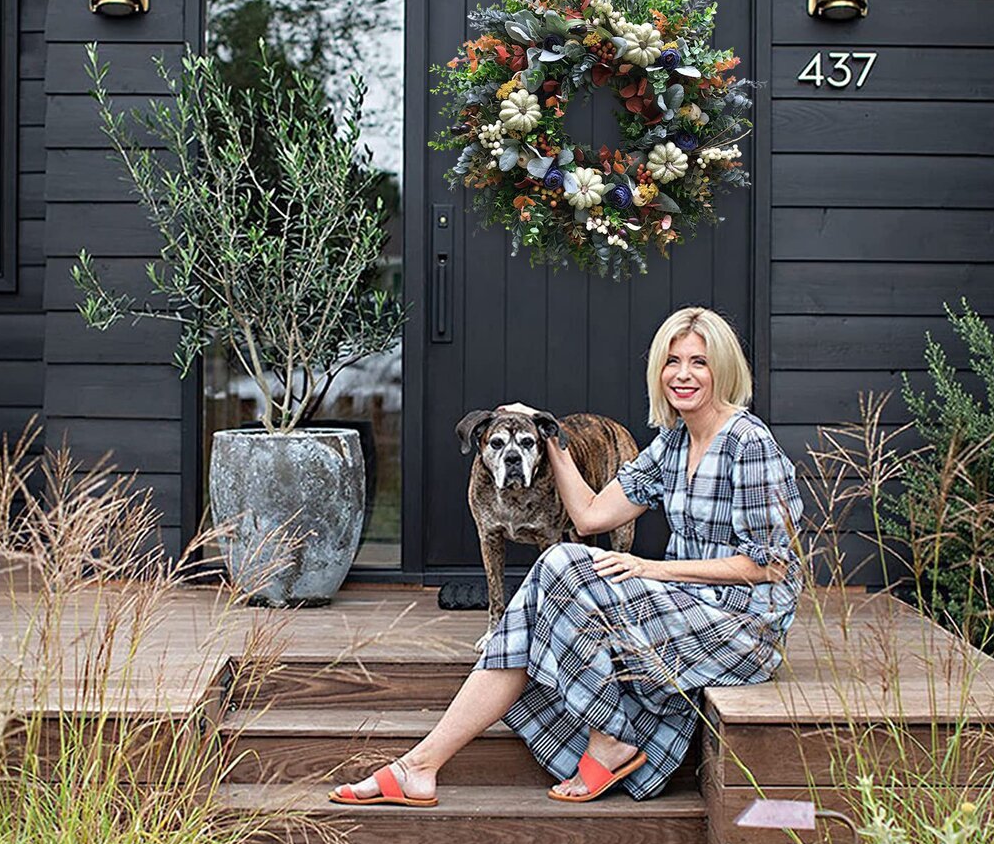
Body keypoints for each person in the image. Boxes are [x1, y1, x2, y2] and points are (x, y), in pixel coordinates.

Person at [329, 306, 804, 806]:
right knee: (555, 569)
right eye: (672, 361)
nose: (682, 375)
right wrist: (545, 435)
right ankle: (421, 766)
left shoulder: (749, 444)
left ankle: (598, 741)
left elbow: (770, 565)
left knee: (559, 567)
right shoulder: (673, 444)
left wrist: (651, 568)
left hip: (743, 625)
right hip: (684, 604)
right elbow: (591, 516)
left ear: (724, 368)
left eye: (698, 362)